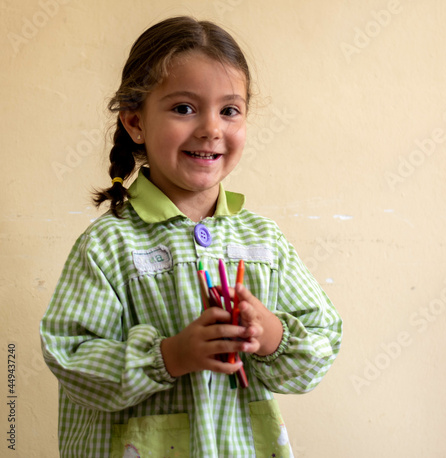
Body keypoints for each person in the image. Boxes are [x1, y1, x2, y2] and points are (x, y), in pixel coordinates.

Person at [40, 16, 342, 458]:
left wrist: (272, 334)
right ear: (135, 122)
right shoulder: (109, 245)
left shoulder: (265, 242)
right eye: (184, 108)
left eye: (229, 110)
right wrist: (169, 356)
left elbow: (323, 339)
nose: (211, 128)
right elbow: (69, 355)